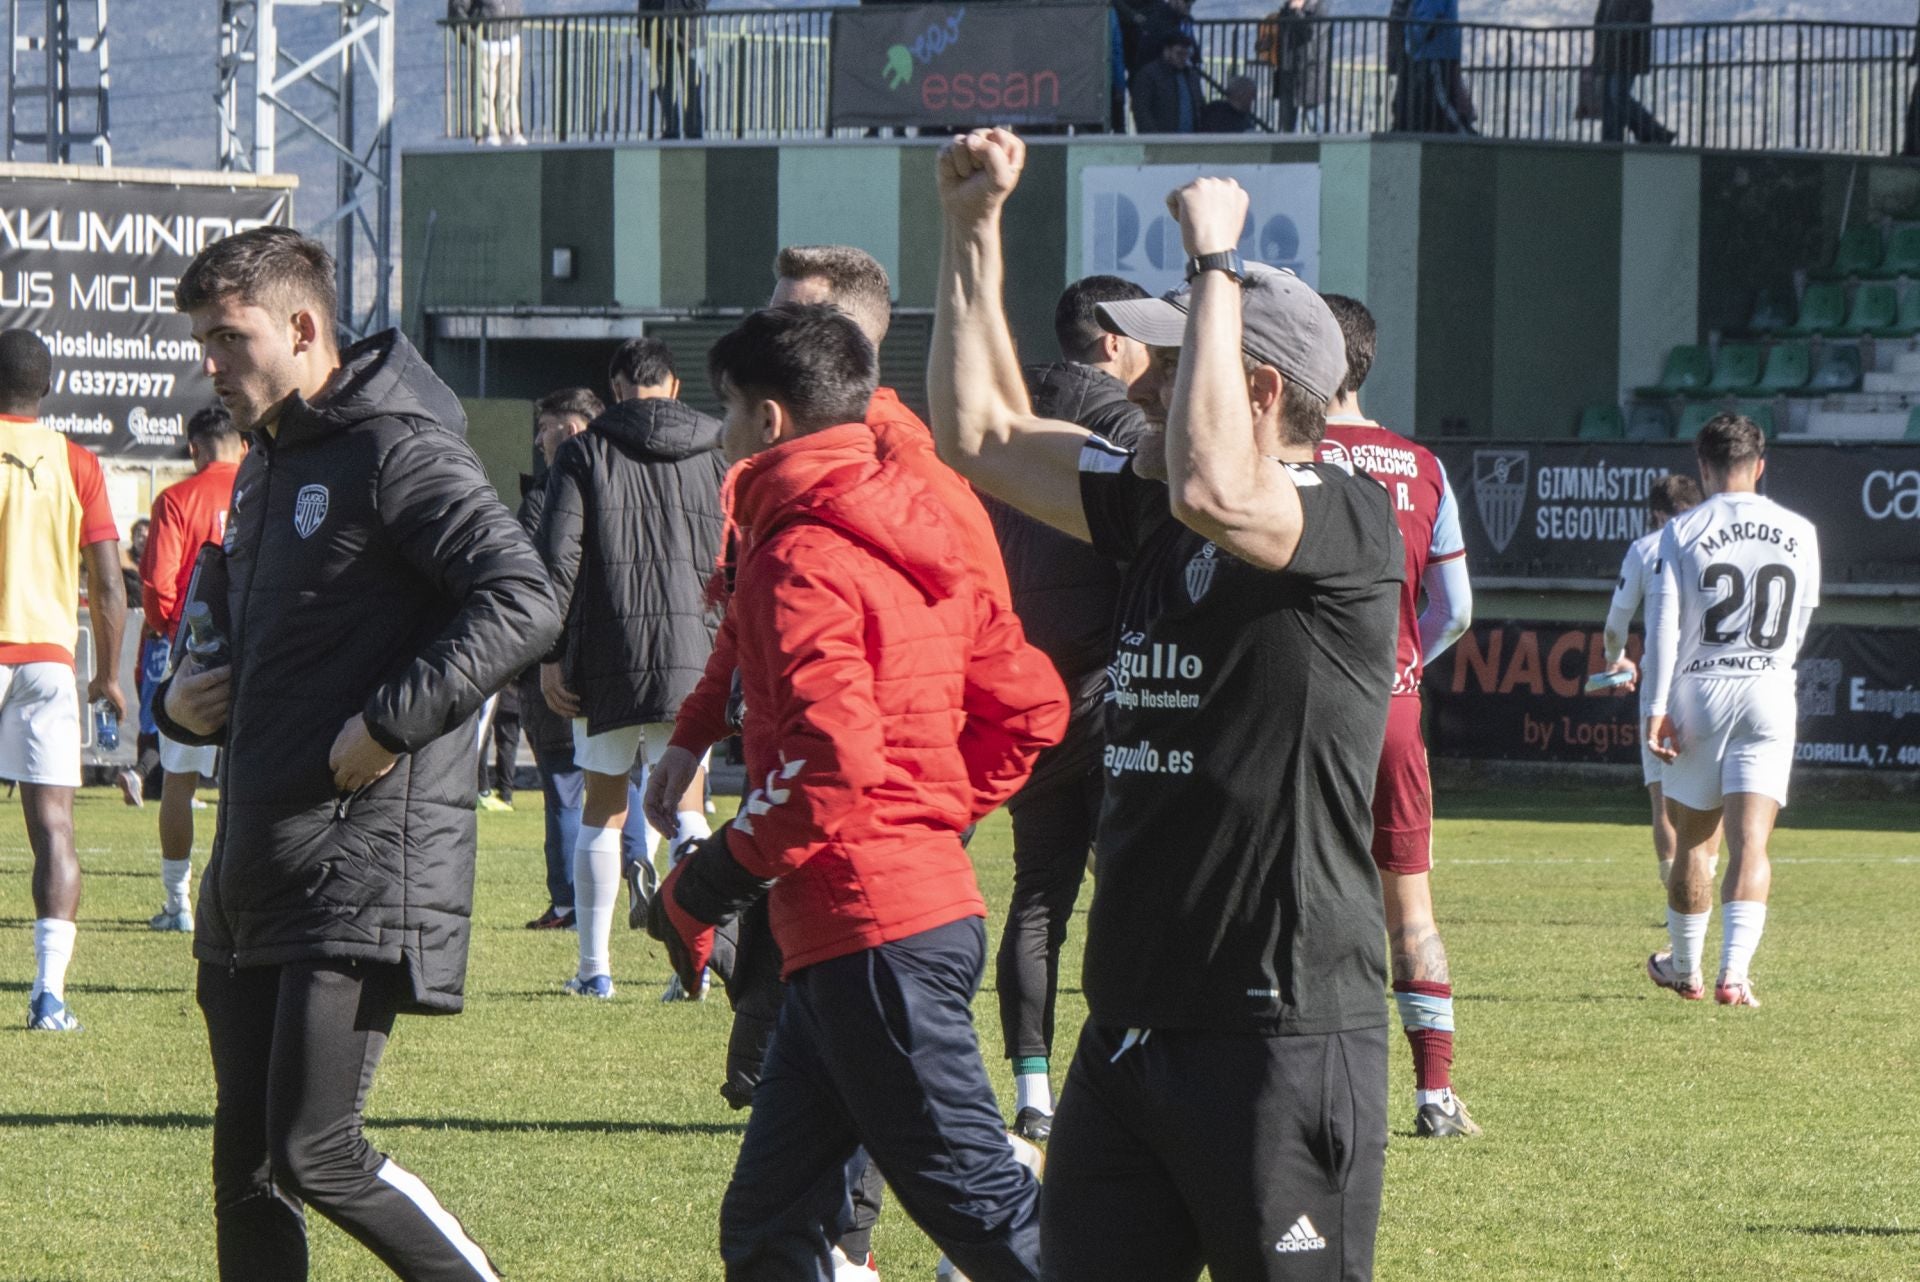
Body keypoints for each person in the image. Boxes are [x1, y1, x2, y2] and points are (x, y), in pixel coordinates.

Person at [931, 129, 1402, 1280]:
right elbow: (980, 433)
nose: (1139, 377)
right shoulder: (1151, 507)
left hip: (1277, 1029)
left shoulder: (1342, 518)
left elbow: (1212, 481)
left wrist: (1216, 257)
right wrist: (971, 227)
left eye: (1173, 357)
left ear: (1256, 388)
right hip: (1133, 1018)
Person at [154, 226, 559, 1280]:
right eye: (199, 339)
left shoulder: (396, 446)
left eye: (227, 336)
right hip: (253, 863)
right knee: (244, 1169)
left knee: (315, 1150)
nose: (210, 361)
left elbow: (522, 598)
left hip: (353, 857)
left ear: (302, 326)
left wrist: (387, 722)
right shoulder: (264, 467)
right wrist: (181, 705)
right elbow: (231, 648)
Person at [647, 301, 1066, 1280]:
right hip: (888, 923)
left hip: (873, 935)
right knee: (770, 1222)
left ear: (769, 420)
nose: (722, 435)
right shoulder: (915, 526)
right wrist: (936, 814)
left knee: (986, 1210)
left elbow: (830, 762)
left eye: (727, 410)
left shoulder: (796, 551)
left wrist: (704, 887)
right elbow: (1034, 705)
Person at [982, 275, 1152, 1146]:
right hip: (1106, 689)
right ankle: (1126, 1072)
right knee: (1130, 889)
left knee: (1038, 894)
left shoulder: (1002, 424)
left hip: (1021, 693)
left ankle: (1033, 1090)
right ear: (1115, 342)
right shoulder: (1122, 427)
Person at [1318, 294, 1479, 1140]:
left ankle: (1306, 1081)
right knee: (1409, 906)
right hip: (1394, 707)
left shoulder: (1287, 455)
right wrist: (1406, 666)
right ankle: (1435, 1094)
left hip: (1306, 705)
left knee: (1295, 895)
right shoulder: (1423, 466)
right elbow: (1455, 607)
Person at [536, 335, 723, 1000]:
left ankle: (595, 971)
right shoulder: (716, 449)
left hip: (604, 654)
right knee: (689, 808)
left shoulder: (584, 451)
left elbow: (557, 560)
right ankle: (698, 966)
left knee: (603, 809)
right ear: (672, 386)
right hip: (694, 657)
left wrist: (550, 654)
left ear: (615, 390)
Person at [1642, 414, 1820, 1010]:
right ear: (1759, 466)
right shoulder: (1800, 530)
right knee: (1752, 844)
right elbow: (1799, 625)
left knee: (1694, 839)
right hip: (1770, 686)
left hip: (1703, 688)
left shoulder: (1684, 529)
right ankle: (1734, 976)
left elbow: (1664, 627)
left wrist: (1658, 705)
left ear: (1704, 467)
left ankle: (1686, 970)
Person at [0, 328, 127, 1033]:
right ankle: (49, 996)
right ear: (45, 390)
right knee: (55, 829)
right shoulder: (76, 461)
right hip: (49, 659)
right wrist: (108, 674)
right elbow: (108, 584)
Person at [138, 403, 246, 934]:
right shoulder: (264, 487)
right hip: (263, 652)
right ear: (242, 444)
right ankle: (241, 901)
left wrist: (168, 631)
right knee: (248, 784)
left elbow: (157, 584)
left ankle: (178, 902)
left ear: (193, 448)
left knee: (178, 783)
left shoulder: (177, 498)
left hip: (197, 658)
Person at [1597, 472, 1707, 888]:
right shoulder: (1718, 543)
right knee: (1707, 795)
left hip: (1662, 683)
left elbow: (1616, 624)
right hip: (1710, 679)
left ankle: (1675, 900)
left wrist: (1615, 659)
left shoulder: (1645, 548)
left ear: (1657, 513)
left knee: (1662, 798)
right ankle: (1703, 888)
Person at [1593, 0, 1673, 145]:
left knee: (1617, 94)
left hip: (1629, 55)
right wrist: (1597, 57)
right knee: (1608, 100)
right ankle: (1612, 142)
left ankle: (1654, 132)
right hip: (1608, 56)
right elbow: (1599, 24)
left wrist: (1613, 34)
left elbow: (1638, 19)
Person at [448, 0, 525, 145]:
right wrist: (472, 40)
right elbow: (457, 9)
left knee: (511, 91)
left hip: (511, 41)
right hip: (485, 43)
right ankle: (488, 132)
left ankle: (511, 131)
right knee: (485, 92)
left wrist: (516, 27)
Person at [1399, 0, 1474, 134]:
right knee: (1433, 105)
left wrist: (1411, 42)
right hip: (1434, 54)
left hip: (1434, 54)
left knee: (1442, 101)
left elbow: (1425, 22)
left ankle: (1465, 134)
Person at [638, 0, 705, 139]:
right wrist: (643, 30)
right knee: (663, 83)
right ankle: (671, 129)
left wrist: (692, 8)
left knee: (692, 81)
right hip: (659, 28)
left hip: (689, 28)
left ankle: (693, 131)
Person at [1257, 0, 1324, 131]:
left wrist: (1297, 13)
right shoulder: (1283, 13)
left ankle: (1323, 147)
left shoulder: (1316, 10)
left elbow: (1309, 34)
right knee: (1287, 122)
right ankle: (1287, 148)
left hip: (1307, 72)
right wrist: (1265, 44)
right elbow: (1277, 40)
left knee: (1313, 118)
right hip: (1286, 71)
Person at [1131, 34, 1206, 134]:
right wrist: (1152, 136)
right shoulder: (1148, 75)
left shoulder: (1192, 76)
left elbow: (1199, 105)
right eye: (1179, 54)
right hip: (1161, 140)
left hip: (1190, 140)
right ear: (1166, 51)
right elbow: (1141, 110)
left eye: (1186, 54)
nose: (1183, 58)